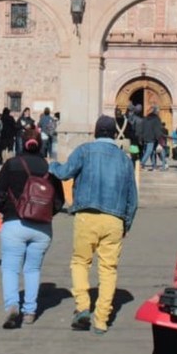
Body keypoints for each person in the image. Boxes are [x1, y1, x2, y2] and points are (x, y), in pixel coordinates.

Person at [50, 115, 138, 335]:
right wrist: (126, 222)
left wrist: (52, 165)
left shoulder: (85, 151)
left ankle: (82, 306)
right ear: (115, 134)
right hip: (114, 219)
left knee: (80, 262)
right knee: (108, 269)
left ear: (96, 132)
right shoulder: (124, 159)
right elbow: (133, 198)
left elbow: (64, 173)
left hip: (87, 215)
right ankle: (101, 319)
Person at [0, 127, 64, 328]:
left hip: (14, 223)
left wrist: (7, 210)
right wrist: (45, 214)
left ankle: (13, 305)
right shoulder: (50, 168)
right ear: (40, 144)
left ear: (21, 143)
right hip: (42, 228)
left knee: (10, 268)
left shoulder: (12, 164)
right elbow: (59, 201)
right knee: (32, 269)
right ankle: (30, 311)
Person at [140, 106, 167, 172]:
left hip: (146, 136)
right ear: (156, 112)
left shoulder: (146, 118)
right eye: (158, 111)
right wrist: (159, 137)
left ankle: (154, 166)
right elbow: (157, 129)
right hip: (153, 137)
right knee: (150, 151)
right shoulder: (156, 119)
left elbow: (142, 128)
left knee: (152, 151)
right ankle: (141, 164)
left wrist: (141, 137)